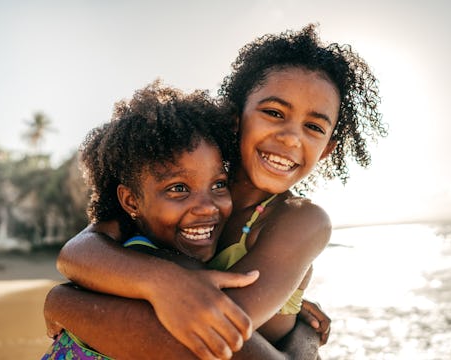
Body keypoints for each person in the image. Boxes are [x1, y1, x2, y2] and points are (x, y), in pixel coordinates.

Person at [45, 24, 387, 359]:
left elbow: (207, 339)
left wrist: (65, 302)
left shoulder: (301, 221)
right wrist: (161, 282)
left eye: (314, 127)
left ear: (326, 149)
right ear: (237, 118)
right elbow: (79, 252)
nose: (291, 138)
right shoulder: (180, 184)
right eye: (273, 112)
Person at [42, 82, 247, 359]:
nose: (207, 207)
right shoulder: (149, 266)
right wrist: (300, 336)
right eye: (178, 188)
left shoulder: (116, 258)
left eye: (219, 184)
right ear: (131, 201)